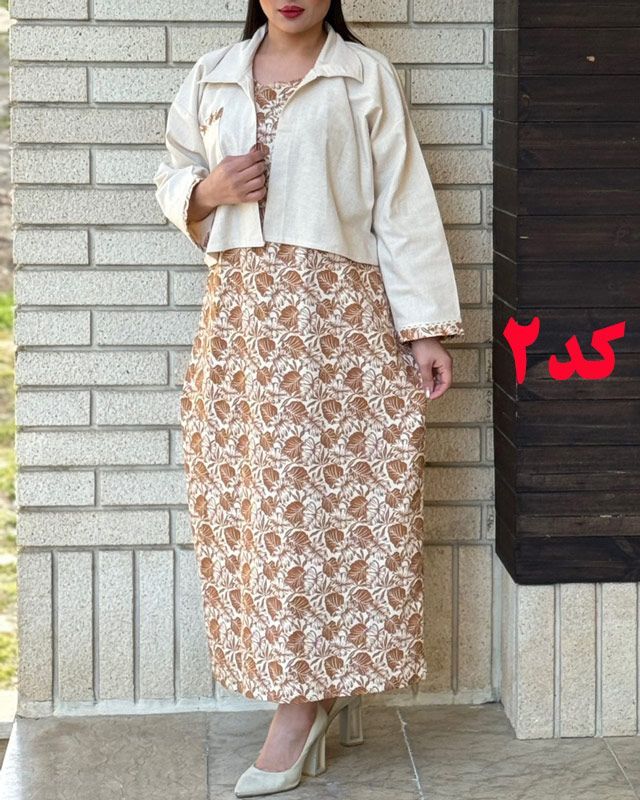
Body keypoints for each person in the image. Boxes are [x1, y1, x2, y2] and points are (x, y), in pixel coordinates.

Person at [154, 1, 464, 796]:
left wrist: (425, 328)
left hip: (341, 322)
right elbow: (171, 174)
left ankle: (305, 708)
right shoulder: (213, 76)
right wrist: (205, 190)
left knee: (340, 509)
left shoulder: (363, 75)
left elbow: (401, 202)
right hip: (245, 325)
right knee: (265, 511)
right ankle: (308, 697)